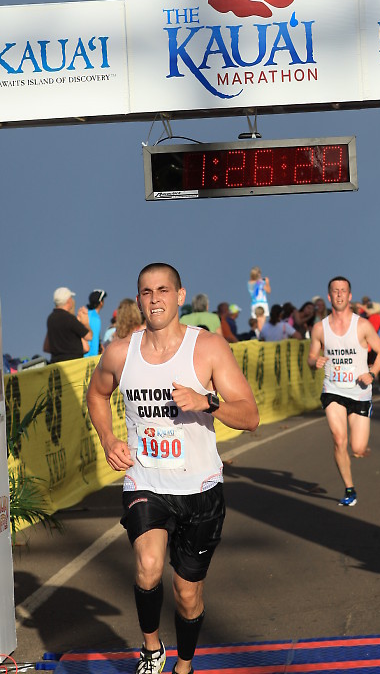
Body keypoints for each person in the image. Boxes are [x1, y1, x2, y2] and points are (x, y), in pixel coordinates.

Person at [86, 262, 259, 674]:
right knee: (147, 568)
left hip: (200, 488)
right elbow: (96, 394)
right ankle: (151, 649)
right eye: (146, 292)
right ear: (138, 299)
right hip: (145, 479)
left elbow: (250, 416)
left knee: (187, 594)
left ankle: (184, 664)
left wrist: (206, 402)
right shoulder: (120, 351)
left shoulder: (209, 348)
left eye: (163, 290)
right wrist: (110, 439)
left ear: (180, 296)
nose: (155, 299)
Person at [307, 276, 380, 506]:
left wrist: (372, 373)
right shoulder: (319, 328)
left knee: (358, 447)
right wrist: (315, 362)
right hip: (333, 389)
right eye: (335, 291)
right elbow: (311, 358)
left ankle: (360, 447)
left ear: (349, 296)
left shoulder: (362, 325)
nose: (340, 294)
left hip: (360, 390)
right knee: (339, 439)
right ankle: (349, 489)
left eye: (343, 290)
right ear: (329, 296)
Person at [43, 286, 93, 363]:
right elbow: (89, 336)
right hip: (74, 364)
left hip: (56, 365)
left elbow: (46, 347)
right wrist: (86, 323)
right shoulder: (70, 319)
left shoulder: (50, 319)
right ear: (68, 301)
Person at [85, 289, 107, 357]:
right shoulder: (95, 318)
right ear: (100, 302)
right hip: (89, 358)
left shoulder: (86, 314)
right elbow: (94, 340)